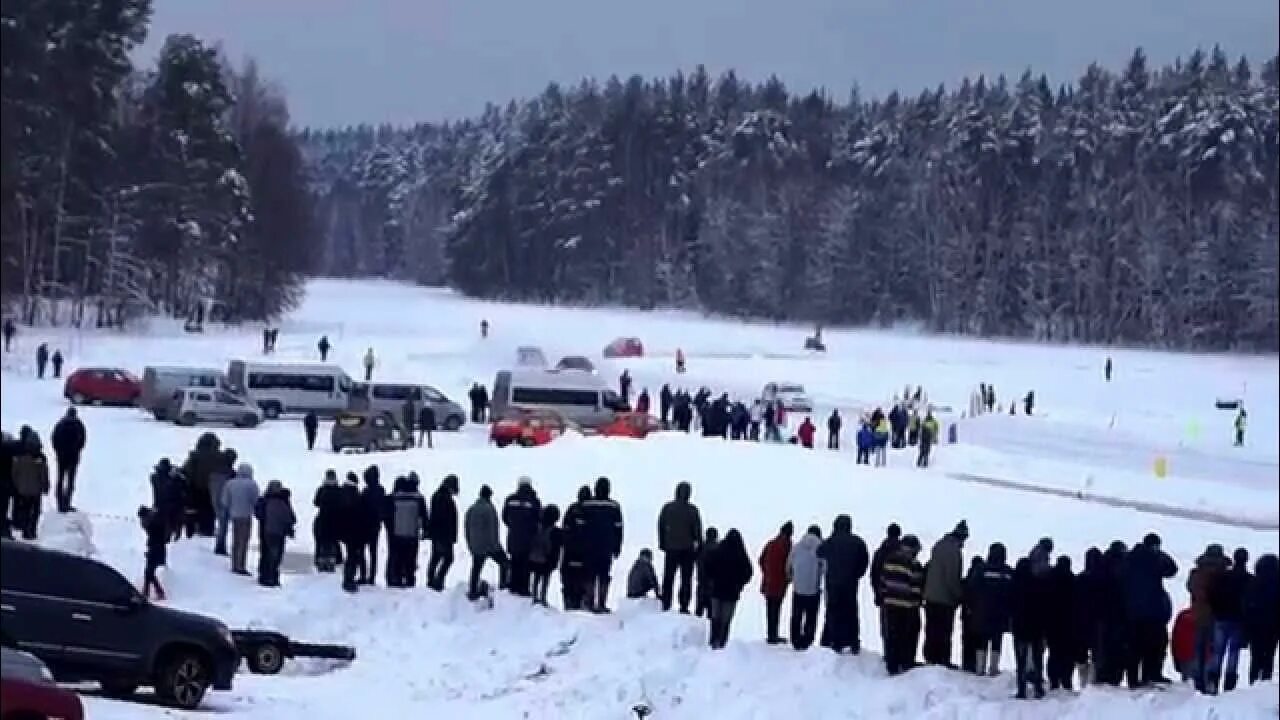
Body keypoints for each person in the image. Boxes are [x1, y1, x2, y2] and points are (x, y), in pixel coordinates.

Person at [1122, 532, 1178, 687]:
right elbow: (1172, 569)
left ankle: (1133, 679)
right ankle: (1151, 674)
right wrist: (1160, 553)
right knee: (1155, 646)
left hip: (1132, 611)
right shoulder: (1155, 559)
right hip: (1152, 612)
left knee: (1134, 647)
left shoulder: (1130, 558)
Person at [817, 514, 869, 654]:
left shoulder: (830, 542)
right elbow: (864, 561)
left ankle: (836, 641)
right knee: (851, 612)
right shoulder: (858, 542)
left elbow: (819, 552)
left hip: (833, 583)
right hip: (851, 583)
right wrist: (856, 574)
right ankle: (853, 641)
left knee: (834, 612)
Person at [923, 520, 968, 666]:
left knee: (931, 629)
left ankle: (929, 657)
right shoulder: (954, 551)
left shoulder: (939, 545)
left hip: (930, 596)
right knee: (943, 632)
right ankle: (942, 660)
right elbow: (951, 578)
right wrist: (958, 596)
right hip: (944, 599)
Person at [1186, 543, 1230, 694]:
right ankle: (1210, 680)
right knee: (1213, 650)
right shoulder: (1222, 574)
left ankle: (1198, 679)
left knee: (1198, 648)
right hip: (1217, 616)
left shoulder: (1196, 573)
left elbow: (1190, 587)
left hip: (1197, 615)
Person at [880, 535, 925, 676]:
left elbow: (883, 581)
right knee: (907, 636)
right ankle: (905, 663)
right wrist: (918, 602)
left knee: (892, 635)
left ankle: (892, 665)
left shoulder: (889, 560)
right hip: (907, 606)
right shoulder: (914, 564)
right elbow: (916, 588)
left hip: (889, 604)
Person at [657, 482, 702, 613]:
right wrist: (699, 546)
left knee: (668, 577)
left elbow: (660, 525)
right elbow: (697, 530)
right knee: (686, 579)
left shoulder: (667, 508)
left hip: (671, 548)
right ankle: (684, 605)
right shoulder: (692, 510)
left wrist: (662, 543)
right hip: (688, 549)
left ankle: (666, 603)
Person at [1211, 547, 1251, 693]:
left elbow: (1213, 595)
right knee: (1233, 653)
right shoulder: (1248, 579)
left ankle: (1213, 680)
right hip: (1238, 620)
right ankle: (1229, 683)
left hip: (1221, 618)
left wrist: (1216, 611)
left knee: (1217, 652)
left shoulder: (1223, 577)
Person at [583, 476, 624, 613]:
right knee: (604, 575)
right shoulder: (614, 506)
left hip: (589, 545)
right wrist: (617, 547)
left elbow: (582, 527)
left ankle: (589, 601)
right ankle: (601, 603)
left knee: (589, 574)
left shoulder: (587, 505)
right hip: (606, 546)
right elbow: (619, 528)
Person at [706, 528, 752, 649]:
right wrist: (740, 584)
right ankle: (722, 642)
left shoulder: (718, 551)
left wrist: (712, 580)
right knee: (726, 619)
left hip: (716, 590)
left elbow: (708, 567)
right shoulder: (741, 554)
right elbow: (748, 572)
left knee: (715, 616)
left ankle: (713, 639)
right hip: (732, 592)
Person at [1011, 556, 1049, 699]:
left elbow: (1009, 605)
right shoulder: (1038, 584)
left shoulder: (1014, 585)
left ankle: (1021, 689)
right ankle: (1038, 687)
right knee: (1038, 659)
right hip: (1036, 628)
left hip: (1019, 628)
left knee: (1021, 660)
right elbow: (1044, 607)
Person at [975, 542, 1015, 677]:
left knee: (982, 639)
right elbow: (1013, 592)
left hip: (983, 610)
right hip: (1001, 611)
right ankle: (993, 668)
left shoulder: (982, 569)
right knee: (997, 640)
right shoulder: (1008, 571)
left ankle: (979, 668)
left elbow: (972, 588)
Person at [385, 474, 429, 588]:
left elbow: (388, 513)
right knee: (411, 559)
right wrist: (425, 530)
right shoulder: (418, 498)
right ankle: (410, 580)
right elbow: (424, 516)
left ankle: (397, 579)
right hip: (412, 533)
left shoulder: (395, 497)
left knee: (398, 558)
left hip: (397, 533)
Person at [465, 485, 508, 600]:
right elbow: (492, 529)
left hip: (476, 545)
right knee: (505, 564)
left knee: (476, 568)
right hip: (489, 545)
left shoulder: (471, 508)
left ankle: (473, 591)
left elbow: (466, 528)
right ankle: (503, 588)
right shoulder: (489, 509)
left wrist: (470, 544)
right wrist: (496, 546)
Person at [502, 476, 542, 597]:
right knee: (525, 563)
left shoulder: (510, 499)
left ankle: (513, 586)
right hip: (528, 539)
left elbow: (504, 517)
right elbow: (538, 518)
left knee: (514, 561)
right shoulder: (534, 501)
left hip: (513, 537)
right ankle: (523, 588)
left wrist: (514, 526)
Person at [787, 524, 824, 650]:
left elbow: (788, 565)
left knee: (796, 615)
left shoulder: (796, 547)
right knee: (811, 617)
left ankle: (795, 640)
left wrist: (792, 579)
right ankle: (807, 640)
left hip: (798, 588)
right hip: (813, 589)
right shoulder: (821, 548)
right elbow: (825, 568)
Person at [254, 480, 296, 587]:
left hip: (266, 530)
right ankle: (271, 577)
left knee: (267, 553)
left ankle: (265, 576)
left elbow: (258, 513)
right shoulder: (284, 501)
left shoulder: (264, 500)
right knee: (275, 555)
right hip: (278, 531)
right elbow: (291, 517)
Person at [1244, 554, 1278, 684]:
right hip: (1273, 626)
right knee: (1269, 655)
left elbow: (1246, 605)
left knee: (1256, 656)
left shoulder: (1253, 583)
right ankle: (1265, 680)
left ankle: (1253, 680)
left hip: (1255, 626)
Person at [1046, 556, 1078, 690]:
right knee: (1068, 655)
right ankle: (1066, 680)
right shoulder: (1072, 580)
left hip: (1052, 623)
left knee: (1053, 653)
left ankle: (1053, 680)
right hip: (1068, 623)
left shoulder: (1049, 580)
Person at [11, 430, 50, 540]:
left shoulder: (19, 456)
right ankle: (31, 531)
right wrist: (45, 487)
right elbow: (43, 474)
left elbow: (15, 473)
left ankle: (24, 528)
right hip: (36, 491)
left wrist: (17, 485)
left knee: (25, 509)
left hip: (22, 489)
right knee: (35, 512)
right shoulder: (40, 458)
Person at [759, 522, 793, 644]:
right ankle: (773, 635)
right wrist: (788, 578)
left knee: (770, 609)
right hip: (780, 583)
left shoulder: (771, 543)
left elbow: (761, 560)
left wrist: (767, 572)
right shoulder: (788, 546)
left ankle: (771, 634)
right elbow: (790, 565)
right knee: (776, 608)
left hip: (768, 582)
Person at [560, 486, 592, 610]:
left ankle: (569, 603)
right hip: (585, 552)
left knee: (568, 579)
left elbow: (565, 529)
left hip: (570, 551)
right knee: (582, 579)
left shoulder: (572, 509)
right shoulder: (591, 511)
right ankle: (580, 603)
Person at [426, 474, 460, 591]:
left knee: (436, 557)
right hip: (443, 534)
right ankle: (437, 580)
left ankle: (432, 580)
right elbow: (444, 518)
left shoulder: (439, 496)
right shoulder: (444, 498)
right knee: (447, 558)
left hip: (439, 534)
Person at [50, 407, 86, 513]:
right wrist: (76, 451)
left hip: (61, 457)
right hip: (73, 457)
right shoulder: (79, 425)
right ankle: (67, 502)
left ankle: (60, 502)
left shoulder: (60, 424)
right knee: (70, 480)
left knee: (60, 479)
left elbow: (54, 439)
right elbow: (82, 441)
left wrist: (58, 451)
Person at [529, 504, 563, 606]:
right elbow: (560, 545)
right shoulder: (556, 531)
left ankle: (534, 596)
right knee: (546, 578)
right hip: (548, 560)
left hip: (535, 557)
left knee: (536, 577)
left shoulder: (537, 528)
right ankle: (543, 597)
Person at [359, 466, 387, 584]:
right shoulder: (381, 490)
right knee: (373, 551)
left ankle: (363, 574)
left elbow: (361, 507)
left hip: (365, 525)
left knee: (361, 551)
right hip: (375, 525)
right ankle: (371, 577)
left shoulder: (365, 491)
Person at [337, 473, 364, 593]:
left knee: (351, 556)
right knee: (353, 557)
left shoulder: (342, 492)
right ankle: (349, 580)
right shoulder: (354, 494)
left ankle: (348, 579)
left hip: (345, 530)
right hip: (355, 530)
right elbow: (357, 513)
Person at [312, 470, 344, 572]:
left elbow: (316, 502)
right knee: (332, 541)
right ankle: (331, 561)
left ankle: (321, 561)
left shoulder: (322, 489)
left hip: (323, 519)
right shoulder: (339, 490)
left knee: (322, 541)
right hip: (336, 520)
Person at [961, 556, 986, 673]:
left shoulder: (968, 579)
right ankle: (976, 664)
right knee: (978, 641)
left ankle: (966, 663)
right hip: (980, 615)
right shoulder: (982, 579)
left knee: (967, 640)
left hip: (967, 614)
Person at [138, 506, 169, 600]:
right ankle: (149, 592)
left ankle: (154, 592)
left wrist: (150, 551)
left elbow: (155, 538)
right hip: (155, 550)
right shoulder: (154, 521)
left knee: (149, 572)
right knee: (148, 573)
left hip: (156, 550)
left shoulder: (154, 523)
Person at [210, 449, 237, 555]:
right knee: (223, 525)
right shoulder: (230, 473)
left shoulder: (214, 471)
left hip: (216, 499)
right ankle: (220, 546)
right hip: (225, 501)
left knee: (222, 524)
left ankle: (220, 545)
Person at [695, 527, 720, 618]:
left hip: (701, 580)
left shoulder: (701, 547)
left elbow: (696, 559)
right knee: (711, 611)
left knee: (699, 608)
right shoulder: (719, 547)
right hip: (714, 583)